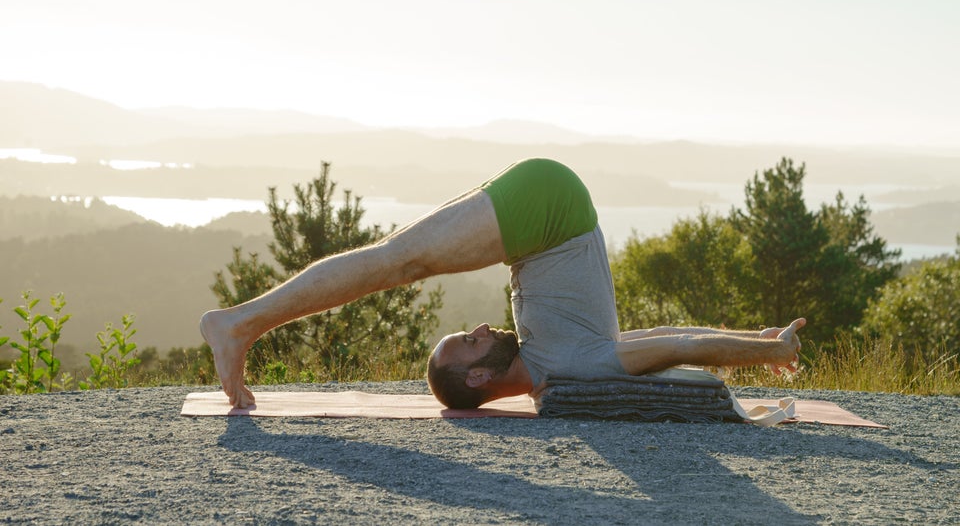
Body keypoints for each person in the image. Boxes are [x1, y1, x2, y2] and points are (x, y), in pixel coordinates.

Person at [201, 158, 804, 409]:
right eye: (470, 339)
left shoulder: (558, 363)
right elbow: (677, 344)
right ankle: (238, 325)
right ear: (481, 375)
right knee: (399, 261)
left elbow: (671, 340)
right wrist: (768, 345)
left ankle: (239, 324)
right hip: (549, 211)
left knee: (400, 259)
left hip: (546, 210)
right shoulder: (573, 367)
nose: (483, 328)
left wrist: (762, 341)